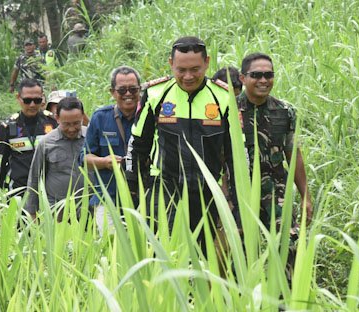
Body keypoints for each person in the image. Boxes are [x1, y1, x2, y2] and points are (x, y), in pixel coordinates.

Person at [126, 36, 235, 249]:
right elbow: (137, 146)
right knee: (165, 257)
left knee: (204, 260)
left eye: (195, 69)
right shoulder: (155, 93)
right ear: (170, 64)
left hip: (207, 191)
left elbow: (236, 154)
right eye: (181, 70)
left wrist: (235, 196)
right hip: (164, 189)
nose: (188, 76)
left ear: (207, 62)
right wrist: (133, 191)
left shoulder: (224, 97)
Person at [237, 53, 313, 226]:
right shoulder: (229, 110)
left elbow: (293, 155)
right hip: (240, 191)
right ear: (243, 78)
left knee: (288, 247)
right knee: (242, 249)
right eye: (256, 75)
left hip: (276, 191)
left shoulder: (284, 111)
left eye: (268, 75)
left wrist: (305, 196)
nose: (263, 80)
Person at [82, 66, 141, 233]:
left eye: (133, 89)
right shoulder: (101, 117)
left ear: (140, 90)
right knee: (110, 248)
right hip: (108, 198)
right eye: (122, 90)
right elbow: (84, 159)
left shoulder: (150, 115)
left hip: (143, 199)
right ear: (112, 92)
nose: (128, 94)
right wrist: (105, 162)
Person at [0, 79, 58, 197]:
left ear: (42, 98)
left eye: (37, 100)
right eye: (27, 100)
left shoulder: (53, 123)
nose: (32, 105)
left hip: (49, 191)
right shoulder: (7, 127)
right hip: (18, 192)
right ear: (18, 98)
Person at [25, 97, 87, 220]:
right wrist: (32, 212)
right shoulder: (46, 143)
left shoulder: (91, 138)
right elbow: (35, 178)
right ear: (57, 118)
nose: (71, 129)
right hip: (57, 211)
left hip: (88, 210)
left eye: (76, 123)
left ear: (82, 118)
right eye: (66, 124)